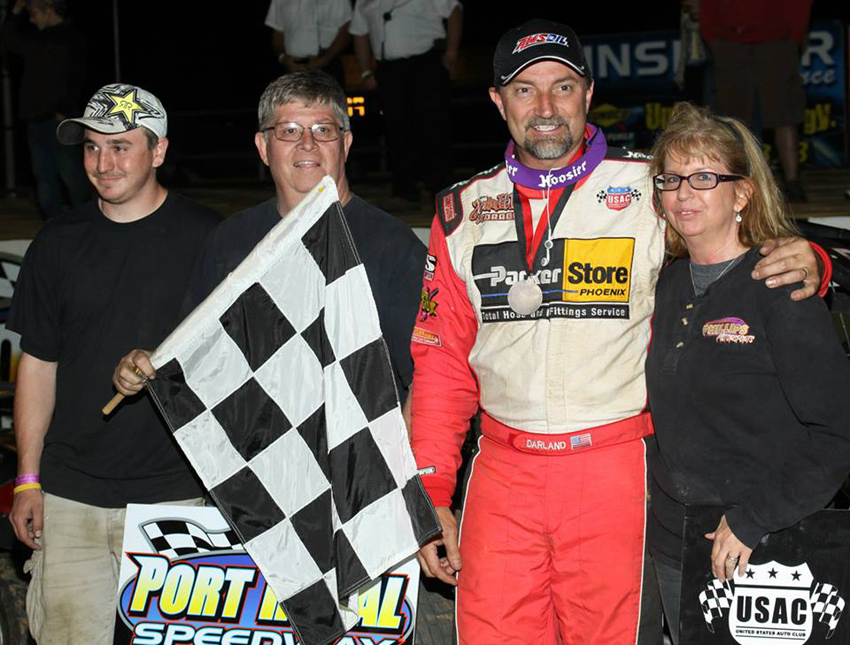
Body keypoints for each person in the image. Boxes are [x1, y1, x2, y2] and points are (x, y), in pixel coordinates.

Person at [409, 19, 826, 645]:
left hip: (613, 471)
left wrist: (811, 260)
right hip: (500, 475)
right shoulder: (461, 210)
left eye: (562, 87)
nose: (545, 107)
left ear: (588, 93)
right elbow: (441, 365)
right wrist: (432, 490)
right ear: (498, 101)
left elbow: (737, 246)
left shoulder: (650, 188)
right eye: (524, 89)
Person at [6, 83, 221, 644]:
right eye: (92, 148)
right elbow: (38, 366)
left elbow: (240, 365)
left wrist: (166, 368)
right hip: (69, 495)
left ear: (159, 150)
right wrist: (28, 480)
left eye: (121, 146)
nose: (103, 164)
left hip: (177, 495)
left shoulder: (211, 239)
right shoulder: (57, 241)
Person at [645, 102, 850, 644]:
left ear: (742, 194)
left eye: (704, 177)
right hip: (675, 543)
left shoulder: (780, 284)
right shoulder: (664, 286)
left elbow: (838, 433)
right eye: (671, 179)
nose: (683, 193)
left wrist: (755, 518)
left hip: (765, 546)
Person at [113, 71, 425, 421]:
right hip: (260, 451)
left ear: (346, 143)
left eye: (323, 129)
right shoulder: (230, 242)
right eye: (289, 131)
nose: (307, 143)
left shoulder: (393, 247)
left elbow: (427, 381)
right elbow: (197, 359)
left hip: (359, 452)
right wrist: (148, 363)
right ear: (263, 147)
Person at [700, 0, 812, 202]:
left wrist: (792, 36)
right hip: (729, 43)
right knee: (732, 121)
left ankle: (793, 183)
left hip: (776, 42)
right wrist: (713, 38)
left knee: (784, 115)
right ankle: (735, 182)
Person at [350, 0, 462, 203]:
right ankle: (405, 189)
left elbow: (454, 10)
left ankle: (442, 188)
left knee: (433, 127)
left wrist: (452, 52)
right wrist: (365, 70)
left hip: (425, 63)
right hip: (388, 69)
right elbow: (359, 32)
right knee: (396, 129)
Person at [1, 0, 90, 219]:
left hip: (59, 119)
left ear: (48, 11)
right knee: (43, 175)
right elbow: (7, 38)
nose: (31, 20)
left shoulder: (71, 38)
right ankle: (53, 222)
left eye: (34, 14)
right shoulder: (36, 39)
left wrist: (65, 110)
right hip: (35, 117)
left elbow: (77, 77)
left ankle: (86, 220)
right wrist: (16, 11)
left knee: (70, 173)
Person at [265, 0, 352, 86]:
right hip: (292, 67)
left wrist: (325, 59)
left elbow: (345, 31)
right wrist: (284, 58)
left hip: (328, 65)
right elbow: (278, 32)